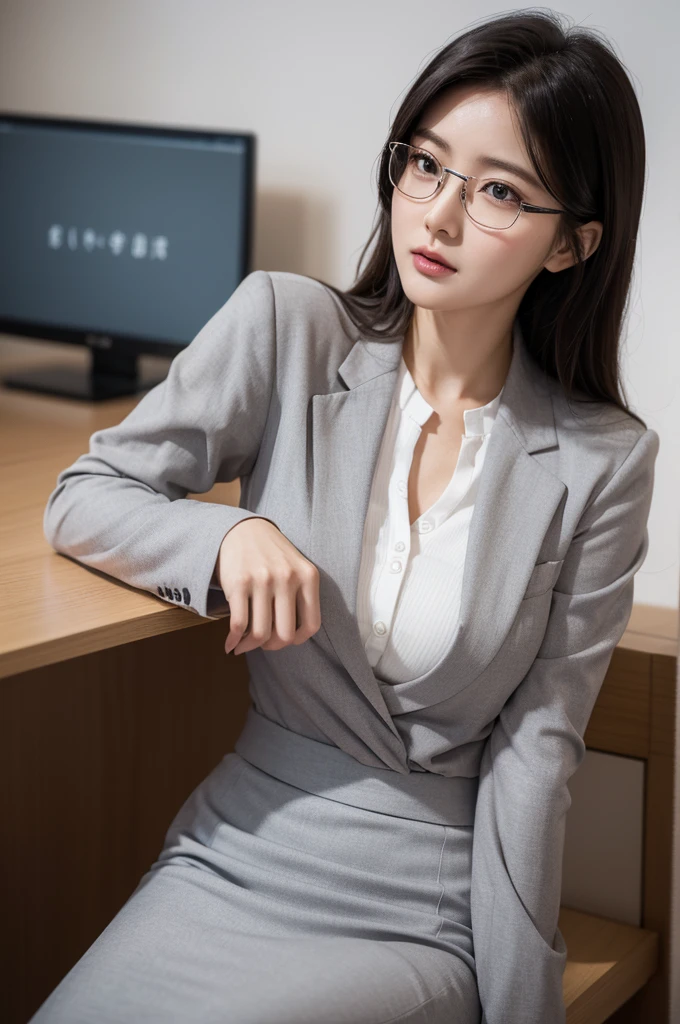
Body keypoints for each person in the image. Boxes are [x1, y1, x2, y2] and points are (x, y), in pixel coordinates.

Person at [33, 9, 659, 1024]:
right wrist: (229, 533)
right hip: (235, 849)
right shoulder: (284, 327)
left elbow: (533, 758)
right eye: (424, 165)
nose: (438, 217)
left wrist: (516, 1006)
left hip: (422, 898)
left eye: (497, 190)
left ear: (570, 244)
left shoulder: (601, 462)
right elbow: (86, 496)